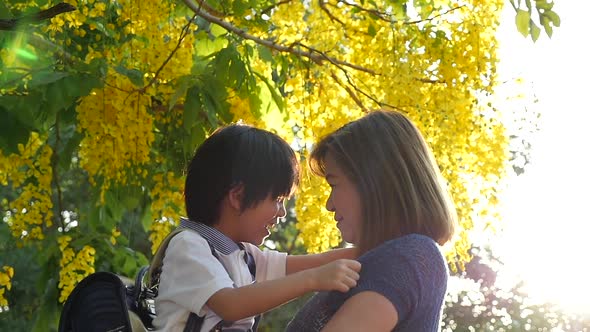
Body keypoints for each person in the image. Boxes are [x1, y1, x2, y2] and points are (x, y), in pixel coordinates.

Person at [152, 123, 361, 332]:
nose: (282, 212)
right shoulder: (189, 246)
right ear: (238, 196)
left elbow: (314, 262)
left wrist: (376, 247)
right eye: (278, 199)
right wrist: (314, 279)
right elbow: (231, 305)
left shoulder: (244, 256)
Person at [286, 110, 457, 331]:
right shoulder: (385, 260)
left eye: (334, 184)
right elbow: (270, 267)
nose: (329, 205)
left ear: (373, 182)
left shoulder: (408, 258)